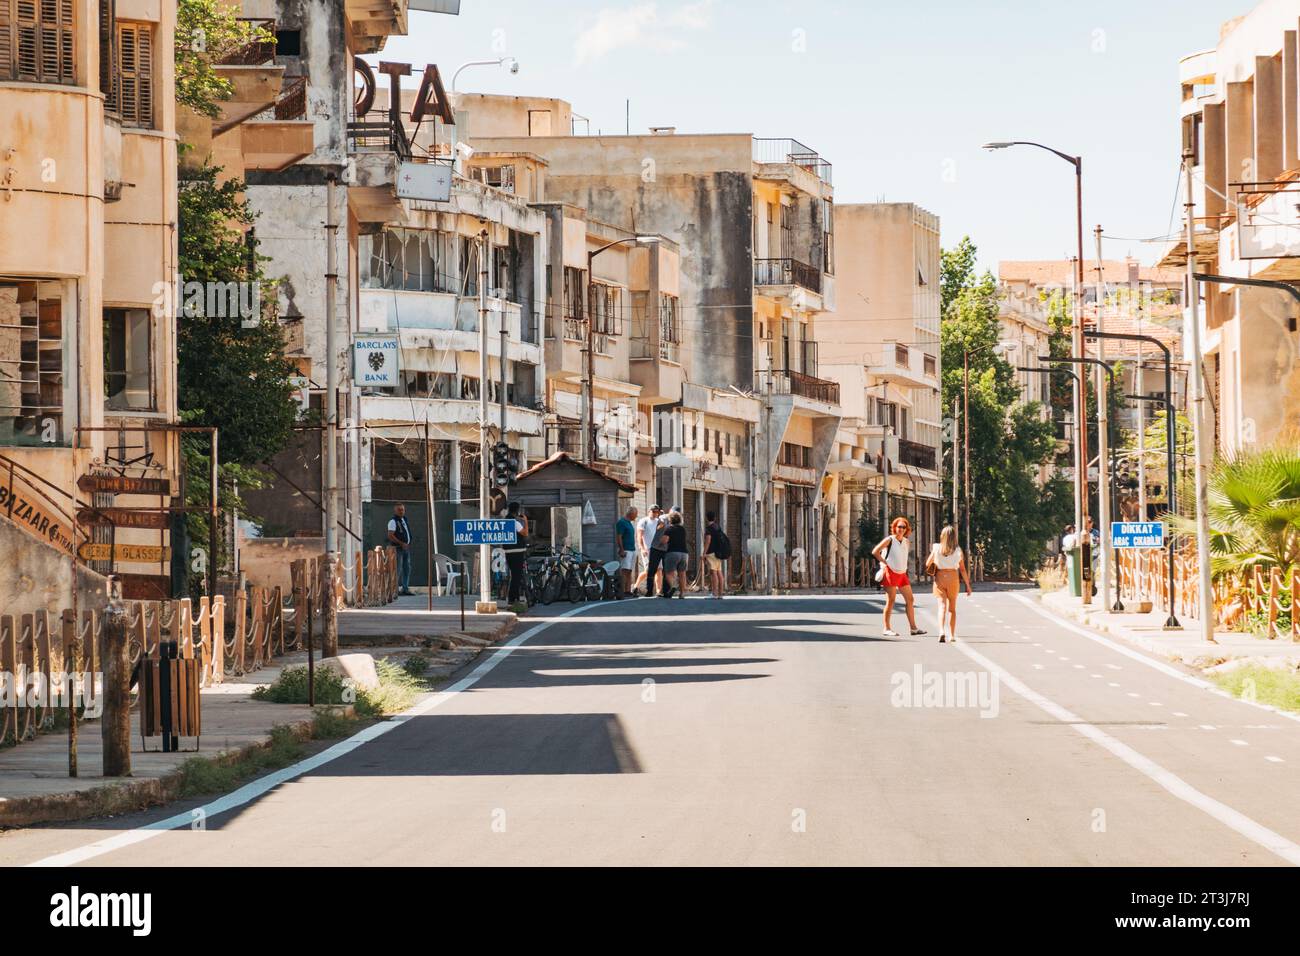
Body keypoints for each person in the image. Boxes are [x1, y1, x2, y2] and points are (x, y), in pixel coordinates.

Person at [872, 516, 925, 637]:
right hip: (890, 573)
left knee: (910, 599)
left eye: (903, 527)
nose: (901, 529)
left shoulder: (906, 541)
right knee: (891, 600)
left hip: (902, 574)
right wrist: (884, 562)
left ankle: (913, 628)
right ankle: (886, 628)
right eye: (899, 526)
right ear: (895, 527)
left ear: (907, 529)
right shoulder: (890, 540)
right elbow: (875, 551)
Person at [926, 525, 972, 642]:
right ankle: (951, 635)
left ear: (943, 536)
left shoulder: (937, 548)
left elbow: (927, 563)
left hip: (940, 577)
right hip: (953, 577)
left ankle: (941, 631)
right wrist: (967, 585)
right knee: (952, 609)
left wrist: (937, 562)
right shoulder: (958, 551)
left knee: (941, 606)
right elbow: (962, 569)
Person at [503, 501, 529, 606]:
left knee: (514, 575)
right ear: (517, 511)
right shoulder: (515, 522)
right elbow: (525, 533)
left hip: (508, 552)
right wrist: (526, 521)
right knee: (516, 576)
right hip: (517, 552)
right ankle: (512, 598)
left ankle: (515, 597)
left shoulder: (505, 521)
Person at [387, 503, 415, 596]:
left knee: (407, 568)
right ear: (395, 510)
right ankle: (394, 589)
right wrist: (401, 543)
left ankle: (405, 588)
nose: (401, 511)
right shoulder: (393, 521)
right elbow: (390, 535)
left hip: (406, 548)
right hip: (397, 548)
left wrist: (407, 543)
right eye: (399, 510)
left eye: (402, 509)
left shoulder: (404, 520)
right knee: (397, 569)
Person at [659, 511, 689, 599]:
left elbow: (664, 541)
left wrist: (660, 542)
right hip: (684, 553)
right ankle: (682, 593)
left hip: (672, 552)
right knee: (682, 573)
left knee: (668, 573)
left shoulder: (669, 529)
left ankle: (673, 586)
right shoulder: (682, 529)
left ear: (670, 520)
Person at [640, 504, 667, 597]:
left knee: (659, 569)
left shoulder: (659, 521)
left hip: (658, 548)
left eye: (657, 512)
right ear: (649, 511)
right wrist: (642, 548)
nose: (655, 513)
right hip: (648, 549)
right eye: (653, 511)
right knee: (649, 570)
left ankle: (659, 591)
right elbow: (639, 535)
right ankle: (636, 586)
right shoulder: (644, 521)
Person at [702, 510, 727, 599]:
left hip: (711, 553)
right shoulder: (717, 527)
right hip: (718, 553)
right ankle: (720, 594)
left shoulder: (709, 528)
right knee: (719, 572)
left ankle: (714, 593)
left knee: (713, 573)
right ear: (715, 518)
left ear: (706, 518)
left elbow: (708, 540)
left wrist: (704, 553)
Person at [616, 506, 639, 598]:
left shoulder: (629, 523)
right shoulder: (621, 522)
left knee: (629, 571)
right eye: (635, 515)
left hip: (632, 549)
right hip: (626, 549)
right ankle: (622, 590)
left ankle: (628, 590)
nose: (636, 517)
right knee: (624, 570)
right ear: (631, 514)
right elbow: (619, 536)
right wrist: (621, 549)